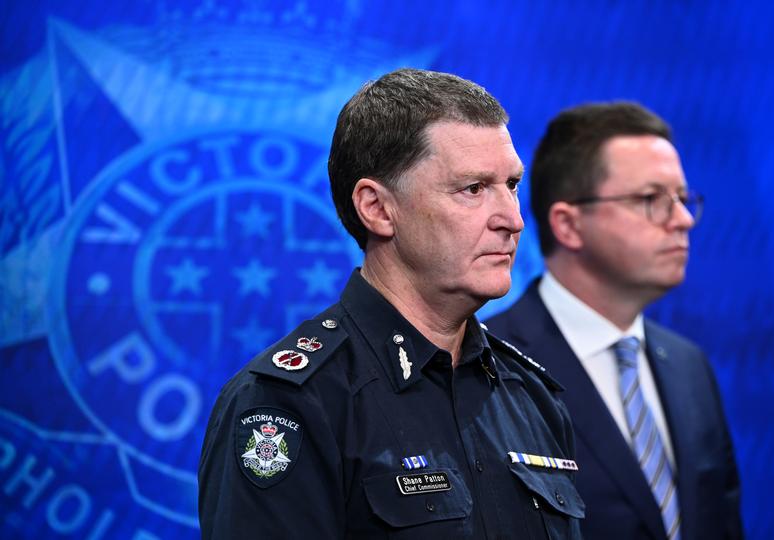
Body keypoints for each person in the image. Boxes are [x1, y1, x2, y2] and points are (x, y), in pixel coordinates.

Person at [198, 68, 584, 539]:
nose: (512, 218)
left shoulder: (532, 395)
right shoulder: (288, 403)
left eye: (512, 185)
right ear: (378, 209)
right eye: (473, 189)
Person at [486, 102, 743, 540]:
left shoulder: (688, 364)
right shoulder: (488, 363)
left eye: (682, 199)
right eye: (650, 199)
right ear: (568, 225)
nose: (682, 220)